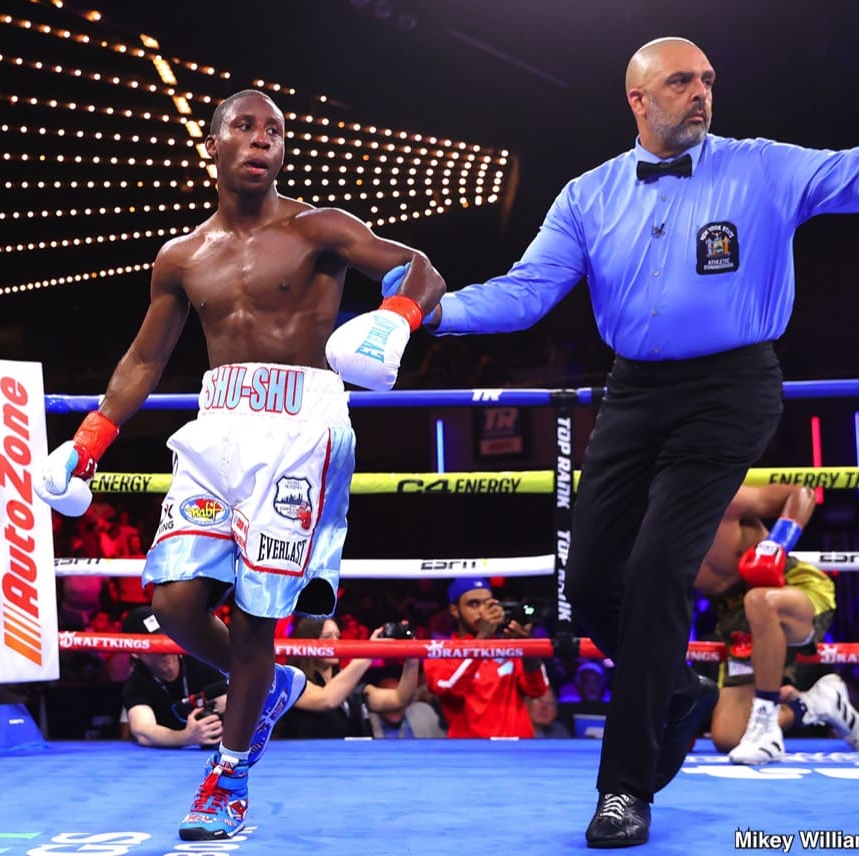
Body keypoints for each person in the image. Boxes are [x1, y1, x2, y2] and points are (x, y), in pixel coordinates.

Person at [425, 35, 859, 846]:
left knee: (663, 564)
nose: (700, 93)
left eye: (706, 80)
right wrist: (432, 312)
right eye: (679, 82)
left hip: (730, 388)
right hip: (631, 390)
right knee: (590, 583)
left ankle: (625, 789)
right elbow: (526, 292)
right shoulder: (589, 195)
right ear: (637, 100)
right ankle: (681, 693)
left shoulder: (763, 167)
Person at [35, 88, 445, 841]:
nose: (262, 141)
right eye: (245, 128)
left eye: (275, 132)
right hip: (218, 423)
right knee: (173, 601)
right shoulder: (182, 256)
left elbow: (419, 268)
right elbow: (146, 357)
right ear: (214, 146)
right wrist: (89, 440)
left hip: (302, 427)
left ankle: (228, 776)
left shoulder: (319, 227)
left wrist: (395, 319)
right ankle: (276, 686)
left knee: (259, 613)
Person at [694, 484, 859, 765]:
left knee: (760, 600)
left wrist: (776, 545)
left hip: (791, 589)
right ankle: (815, 703)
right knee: (728, 737)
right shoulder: (655, 534)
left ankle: (766, 731)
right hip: (737, 618)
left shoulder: (721, 499)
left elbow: (801, 494)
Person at [422, 577, 550, 738]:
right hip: (471, 754)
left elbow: (537, 689)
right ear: (455, 610)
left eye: (488, 604)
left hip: (519, 750)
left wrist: (526, 646)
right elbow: (451, 689)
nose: (483, 611)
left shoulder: (509, 646)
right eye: (474, 604)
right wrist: (482, 639)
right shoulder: (441, 652)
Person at [275, 617, 423, 739]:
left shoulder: (348, 683)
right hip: (307, 766)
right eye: (327, 637)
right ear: (308, 641)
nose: (335, 642)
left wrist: (412, 657)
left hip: (353, 767)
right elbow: (326, 700)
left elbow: (400, 699)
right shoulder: (292, 681)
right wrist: (370, 651)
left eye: (338, 637)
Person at [119, 607, 228, 749]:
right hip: (162, 761)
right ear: (135, 652)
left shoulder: (200, 661)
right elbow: (143, 731)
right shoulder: (137, 683)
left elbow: (233, 696)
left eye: (167, 638)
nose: (165, 649)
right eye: (155, 644)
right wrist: (186, 737)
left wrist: (217, 715)